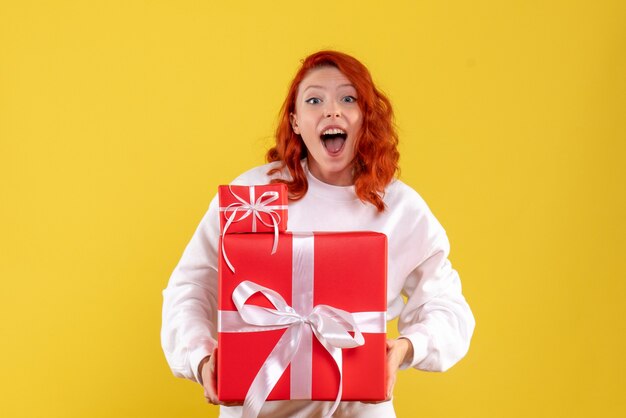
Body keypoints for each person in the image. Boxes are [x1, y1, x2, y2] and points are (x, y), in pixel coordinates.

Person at [161, 50, 475, 418]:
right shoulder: (253, 197)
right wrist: (199, 358)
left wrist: (406, 347)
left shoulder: (400, 207)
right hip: (259, 407)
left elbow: (447, 306)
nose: (332, 111)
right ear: (295, 121)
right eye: (314, 100)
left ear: (365, 118)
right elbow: (190, 286)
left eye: (348, 98)